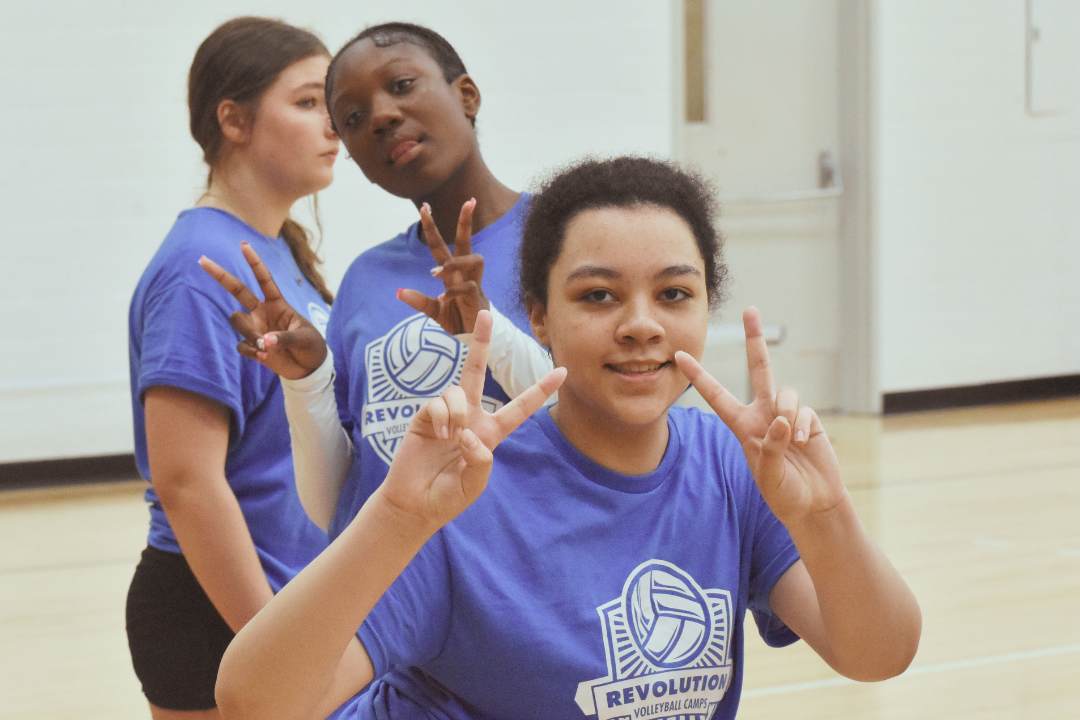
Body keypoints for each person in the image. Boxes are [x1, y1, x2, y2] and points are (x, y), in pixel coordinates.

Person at [213, 156, 922, 719]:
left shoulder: (732, 470)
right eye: (598, 295)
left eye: (674, 294)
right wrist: (398, 519)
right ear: (538, 318)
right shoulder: (463, 497)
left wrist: (824, 515)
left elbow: (877, 654)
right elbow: (256, 703)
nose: (641, 323)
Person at [201, 21, 552, 542]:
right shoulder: (366, 280)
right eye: (354, 118)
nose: (383, 116)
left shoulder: (569, 236)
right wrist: (307, 382)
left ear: (467, 96)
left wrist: (487, 328)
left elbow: (606, 427)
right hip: (401, 608)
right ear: (356, 161)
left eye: (403, 85)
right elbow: (337, 508)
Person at [125, 17, 362, 719]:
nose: (335, 125)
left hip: (285, 601)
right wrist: (273, 643)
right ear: (234, 119)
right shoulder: (201, 267)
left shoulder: (272, 248)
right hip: (219, 610)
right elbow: (186, 481)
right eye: (307, 101)